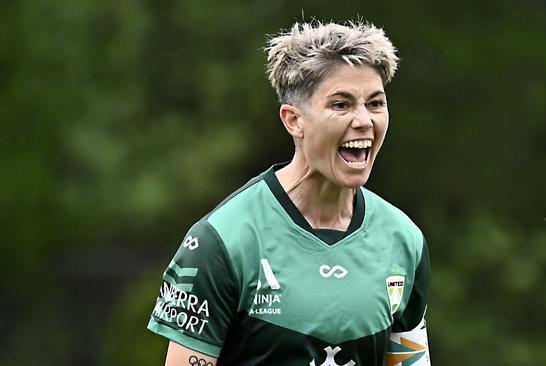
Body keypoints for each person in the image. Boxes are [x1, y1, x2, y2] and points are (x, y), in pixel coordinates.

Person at [147, 20, 432, 366]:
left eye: (375, 104)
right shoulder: (221, 241)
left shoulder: (403, 240)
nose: (364, 121)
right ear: (293, 120)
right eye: (341, 105)